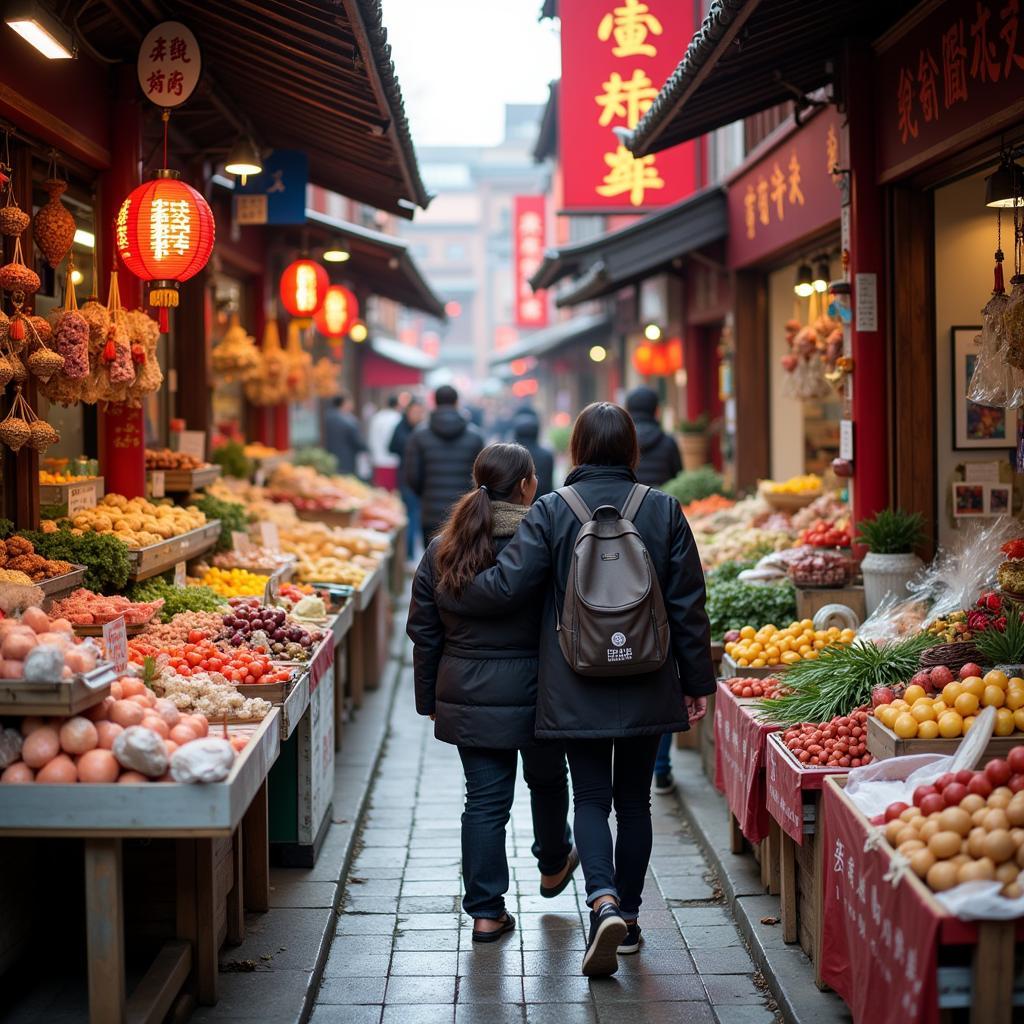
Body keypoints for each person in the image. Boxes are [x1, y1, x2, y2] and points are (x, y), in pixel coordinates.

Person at [453, 402, 714, 977]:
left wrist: (442, 579)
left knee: (591, 798)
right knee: (635, 802)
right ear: (632, 450)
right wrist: (696, 683)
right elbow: (690, 606)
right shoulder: (664, 509)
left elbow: (506, 587)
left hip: (575, 677)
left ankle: (602, 903)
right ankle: (632, 919)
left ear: (575, 449)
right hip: (648, 675)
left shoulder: (551, 510)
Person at [406, 443, 578, 941]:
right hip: (543, 691)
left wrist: (429, 700)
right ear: (527, 485)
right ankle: (552, 865)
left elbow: (425, 632)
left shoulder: (444, 550)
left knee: (484, 802)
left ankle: (485, 911)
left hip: (469, 694)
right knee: (548, 782)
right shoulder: (544, 544)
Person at [625, 386, 685, 794]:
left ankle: (618, 756)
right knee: (656, 663)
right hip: (658, 552)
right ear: (658, 409)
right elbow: (679, 478)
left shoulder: (569, 502)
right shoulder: (667, 444)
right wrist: (696, 681)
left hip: (615, 568)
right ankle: (659, 766)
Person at [404, 385, 485, 547]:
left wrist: (425, 494)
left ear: (434, 402)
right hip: (464, 511)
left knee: (432, 563)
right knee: (462, 563)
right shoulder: (475, 436)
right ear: (457, 402)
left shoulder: (419, 435)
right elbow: (483, 476)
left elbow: (412, 476)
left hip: (430, 511)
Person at [389, 398, 425, 561]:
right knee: (411, 515)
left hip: (419, 479)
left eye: (420, 412)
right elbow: (391, 447)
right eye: (415, 412)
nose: (418, 415)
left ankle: (410, 554)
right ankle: (409, 555)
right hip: (406, 478)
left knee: (415, 516)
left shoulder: (422, 430)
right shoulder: (402, 428)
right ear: (408, 411)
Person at [512, 406, 554, 499]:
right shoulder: (546, 455)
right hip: (542, 502)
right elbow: (549, 484)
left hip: (513, 502)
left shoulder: (508, 453)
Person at [324, 394, 366, 477]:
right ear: (344, 403)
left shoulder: (328, 417)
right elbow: (357, 441)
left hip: (331, 456)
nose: (352, 405)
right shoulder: (348, 420)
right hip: (347, 458)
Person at [367, 395, 403, 490]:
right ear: (397, 405)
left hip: (378, 460)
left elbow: (371, 438)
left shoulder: (377, 417)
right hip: (394, 461)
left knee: (380, 492)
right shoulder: (398, 418)